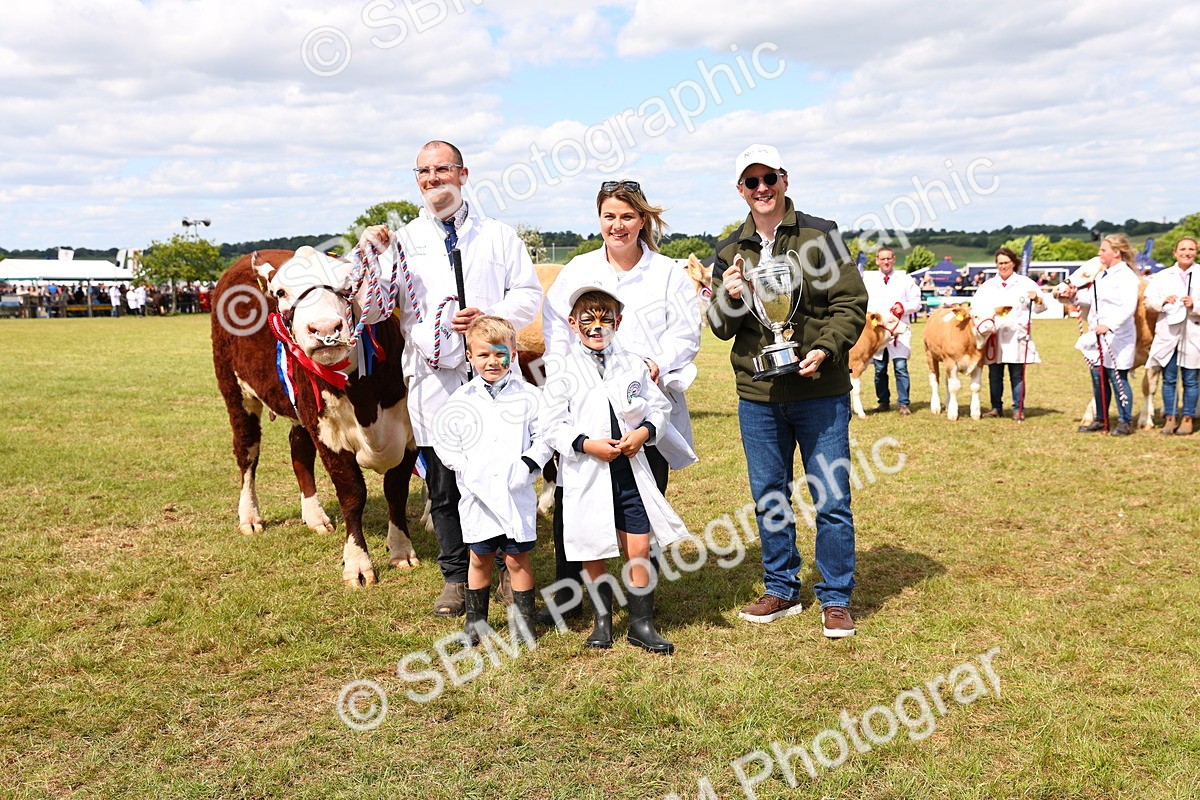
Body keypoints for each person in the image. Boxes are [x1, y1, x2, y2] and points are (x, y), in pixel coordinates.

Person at [364, 140, 542, 617]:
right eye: (423, 171)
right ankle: (456, 577)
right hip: (435, 378)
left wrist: (491, 316)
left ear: (463, 174)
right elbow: (381, 305)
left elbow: (528, 294)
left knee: (503, 473)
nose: (432, 178)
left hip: (495, 375)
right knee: (444, 481)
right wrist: (372, 260)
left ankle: (509, 570)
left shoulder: (499, 236)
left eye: (442, 169)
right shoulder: (403, 242)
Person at [708, 143, 867, 638]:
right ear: (740, 189)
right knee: (769, 497)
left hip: (819, 389)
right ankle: (781, 587)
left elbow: (850, 304)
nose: (761, 189)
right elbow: (719, 327)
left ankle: (836, 597)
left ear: (784, 179)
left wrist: (823, 350)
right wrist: (731, 298)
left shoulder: (821, 235)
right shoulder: (729, 250)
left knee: (832, 496)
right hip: (759, 395)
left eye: (768, 179)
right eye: (750, 182)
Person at [540, 180, 700, 620]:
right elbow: (555, 328)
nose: (618, 225)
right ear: (599, 221)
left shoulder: (667, 272)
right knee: (575, 504)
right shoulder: (578, 269)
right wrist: (563, 375)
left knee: (639, 505)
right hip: (585, 406)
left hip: (642, 403)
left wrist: (658, 362)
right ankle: (574, 599)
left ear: (642, 220)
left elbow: (687, 332)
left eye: (627, 216)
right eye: (609, 216)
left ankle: (639, 606)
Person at [541, 278, 692, 654]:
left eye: (605, 319)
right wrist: (585, 444)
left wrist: (642, 433)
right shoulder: (561, 370)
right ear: (573, 324)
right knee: (592, 545)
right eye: (587, 319)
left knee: (638, 547)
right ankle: (602, 620)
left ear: (618, 322)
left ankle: (641, 622)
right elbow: (550, 425)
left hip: (629, 470)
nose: (596, 327)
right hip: (587, 473)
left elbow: (659, 407)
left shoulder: (632, 365)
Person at [432, 316, 553, 645]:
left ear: (513, 354)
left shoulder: (530, 397)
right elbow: (446, 443)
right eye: (483, 355)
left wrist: (528, 465)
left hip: (516, 493)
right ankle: (476, 624)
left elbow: (544, 438)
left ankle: (524, 623)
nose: (492, 361)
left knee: (517, 558)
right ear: (469, 357)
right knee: (479, 557)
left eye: (500, 354)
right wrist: (468, 471)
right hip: (477, 496)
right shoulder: (460, 401)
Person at [1057, 234, 1140, 436]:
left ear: (1116, 252)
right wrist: (1074, 296)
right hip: (1098, 336)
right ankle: (1101, 419)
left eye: (1103, 250)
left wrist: (1109, 325)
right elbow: (1094, 299)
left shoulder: (1127, 277)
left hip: (1118, 336)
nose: (1099, 253)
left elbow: (1129, 306)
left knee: (1118, 378)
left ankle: (1125, 421)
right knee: (1098, 379)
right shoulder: (1103, 275)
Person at [974, 247, 1047, 421]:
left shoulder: (1026, 283)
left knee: (1017, 374)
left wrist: (1036, 298)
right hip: (995, 335)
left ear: (1013, 263)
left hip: (1017, 335)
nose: (1003, 266)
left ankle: (1018, 408)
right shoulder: (988, 285)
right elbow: (977, 307)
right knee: (995, 374)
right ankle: (996, 407)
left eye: (1006, 263)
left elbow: (1042, 307)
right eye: (1000, 263)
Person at [1144, 237, 1199, 435]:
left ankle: (1187, 418)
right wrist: (1164, 302)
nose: (1187, 252)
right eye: (1183, 249)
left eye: (1191, 249)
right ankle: (1170, 417)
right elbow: (1148, 302)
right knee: (1169, 379)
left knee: (1191, 379)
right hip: (1168, 334)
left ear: (1196, 252)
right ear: (1175, 253)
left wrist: (1195, 305)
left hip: (1193, 334)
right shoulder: (1162, 276)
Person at [861, 247, 921, 415]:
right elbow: (863, 302)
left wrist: (903, 307)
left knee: (900, 366)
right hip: (878, 332)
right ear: (877, 261)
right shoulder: (868, 280)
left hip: (898, 330)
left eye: (889, 258)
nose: (886, 262)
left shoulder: (905, 279)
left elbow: (916, 302)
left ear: (894, 259)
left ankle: (903, 403)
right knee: (879, 369)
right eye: (882, 259)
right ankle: (883, 402)